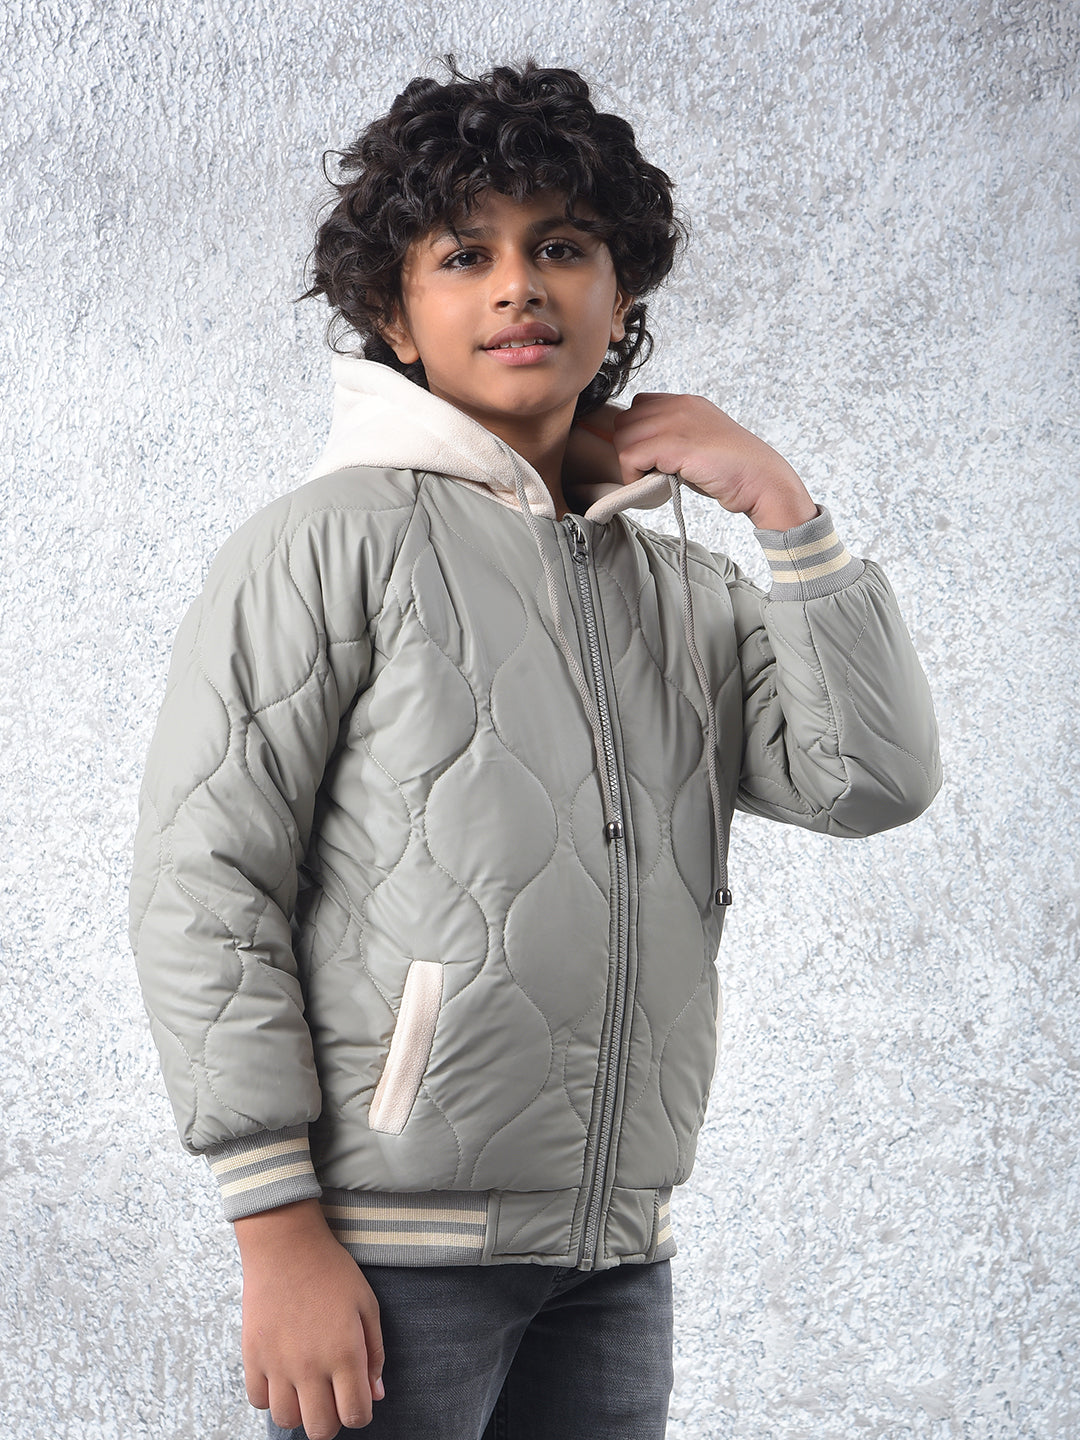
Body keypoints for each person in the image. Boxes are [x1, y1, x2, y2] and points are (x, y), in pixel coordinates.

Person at [129, 59, 941, 1440]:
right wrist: (277, 1232)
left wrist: (786, 515)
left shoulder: (683, 587)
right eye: (467, 256)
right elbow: (205, 885)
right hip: (386, 1254)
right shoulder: (328, 542)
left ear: (620, 299)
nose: (520, 286)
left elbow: (870, 779)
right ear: (394, 315)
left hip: (614, 1253)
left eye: (561, 247)